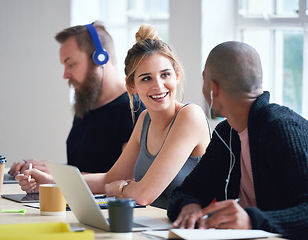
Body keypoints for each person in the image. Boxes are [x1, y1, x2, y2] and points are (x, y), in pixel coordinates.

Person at [16, 24, 211, 210]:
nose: (158, 86)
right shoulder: (144, 120)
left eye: (165, 75)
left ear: (176, 75)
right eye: (146, 78)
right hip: (151, 226)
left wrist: (117, 189)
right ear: (132, 86)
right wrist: (50, 181)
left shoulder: (190, 116)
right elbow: (109, 178)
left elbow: (143, 194)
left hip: (187, 231)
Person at [167, 41, 308, 239]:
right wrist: (189, 205)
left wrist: (252, 221)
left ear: (212, 88)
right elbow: (187, 191)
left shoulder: (283, 129)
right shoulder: (225, 134)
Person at [8, 21, 145, 176]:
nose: (65, 75)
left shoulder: (134, 110)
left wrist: (58, 175)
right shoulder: (87, 104)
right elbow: (85, 168)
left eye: (71, 64)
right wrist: (45, 169)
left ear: (100, 58)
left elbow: (129, 179)